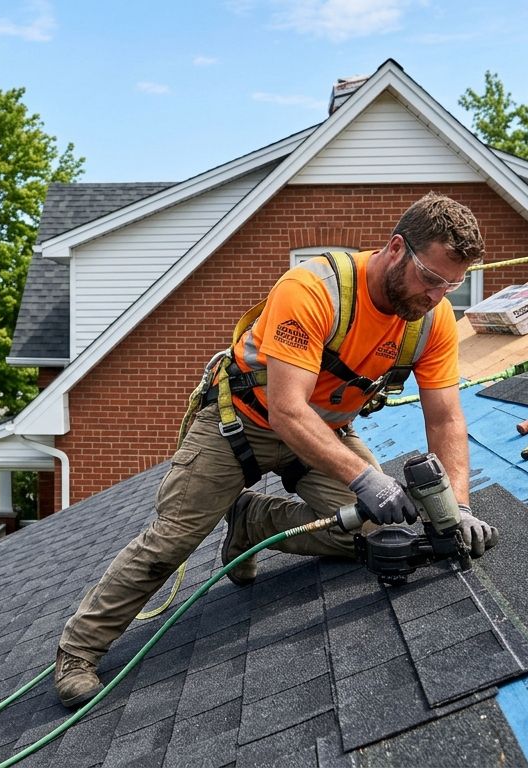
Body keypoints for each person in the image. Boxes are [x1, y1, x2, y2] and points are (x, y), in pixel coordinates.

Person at [53, 192, 499, 707]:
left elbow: (444, 417)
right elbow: (287, 410)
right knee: (172, 542)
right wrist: (368, 479)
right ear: (397, 248)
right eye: (431, 277)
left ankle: (253, 527)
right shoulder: (314, 289)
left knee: (377, 532)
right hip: (241, 422)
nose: (438, 295)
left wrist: (460, 505)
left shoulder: (432, 319)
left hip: (322, 432)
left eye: (452, 284)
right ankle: (78, 649)